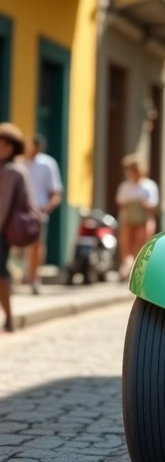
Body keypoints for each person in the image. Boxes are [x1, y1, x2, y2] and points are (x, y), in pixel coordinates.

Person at [0, 123, 36, 333]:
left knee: (1, 275)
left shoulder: (12, 171)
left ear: (10, 146)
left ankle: (9, 318)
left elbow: (3, 206)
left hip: (3, 231)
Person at [22, 133, 62, 294]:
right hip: (18, 210)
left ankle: (34, 278)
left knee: (37, 244)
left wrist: (46, 208)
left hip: (38, 210)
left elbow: (56, 191)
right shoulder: (19, 162)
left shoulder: (48, 164)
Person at [116, 155, 159, 280]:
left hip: (143, 220)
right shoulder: (125, 186)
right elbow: (120, 202)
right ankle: (126, 268)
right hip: (128, 219)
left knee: (141, 245)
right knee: (126, 244)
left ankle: (139, 270)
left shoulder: (149, 186)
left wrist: (141, 204)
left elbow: (153, 204)